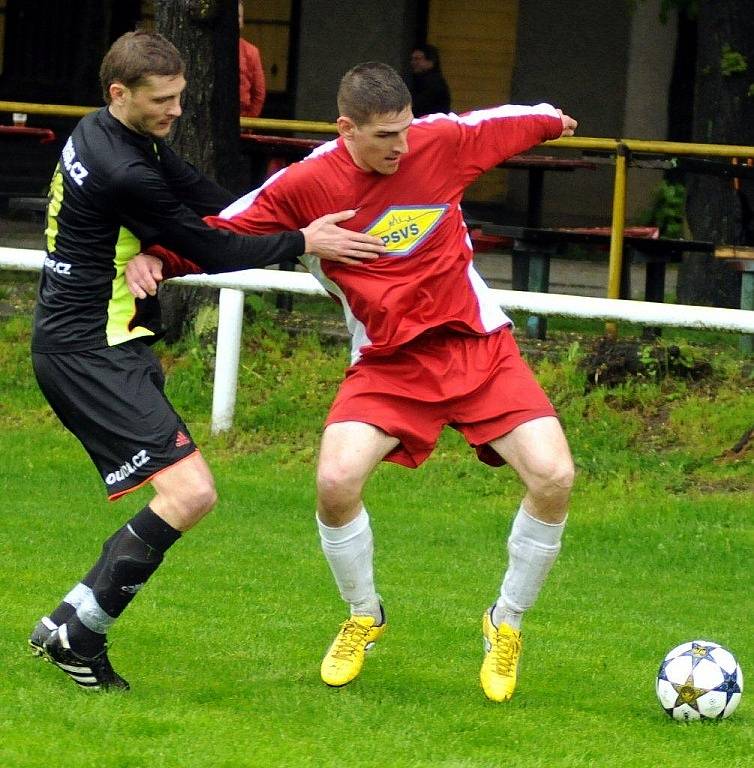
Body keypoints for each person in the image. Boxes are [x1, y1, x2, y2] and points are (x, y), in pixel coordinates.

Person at [127, 62, 577, 702]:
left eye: (405, 130)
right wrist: (159, 256)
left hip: (475, 344)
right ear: (346, 129)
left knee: (554, 477)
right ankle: (364, 614)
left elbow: (499, 125)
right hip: (388, 362)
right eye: (385, 136)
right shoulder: (306, 184)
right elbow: (226, 228)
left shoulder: (436, 141)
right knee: (335, 483)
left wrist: (549, 121)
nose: (400, 145)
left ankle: (505, 622)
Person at [28, 32, 384, 692]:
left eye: (181, 96)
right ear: (119, 94)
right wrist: (304, 239)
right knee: (190, 493)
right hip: (88, 352)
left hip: (96, 343)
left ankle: (68, 618)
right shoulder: (123, 170)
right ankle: (83, 638)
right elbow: (208, 248)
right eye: (162, 99)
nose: (177, 110)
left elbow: (208, 200)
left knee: (181, 493)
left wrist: (282, 216)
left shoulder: (108, 135)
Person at [238, 1, 266, 119]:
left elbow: (259, 93)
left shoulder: (251, 52)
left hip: (242, 119)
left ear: (242, 22)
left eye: (238, 17)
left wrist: (249, 120)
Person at [409, 44, 451, 117]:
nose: (413, 62)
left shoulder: (434, 83)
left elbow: (418, 106)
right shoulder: (420, 80)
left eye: (417, 59)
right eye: (412, 59)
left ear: (431, 61)